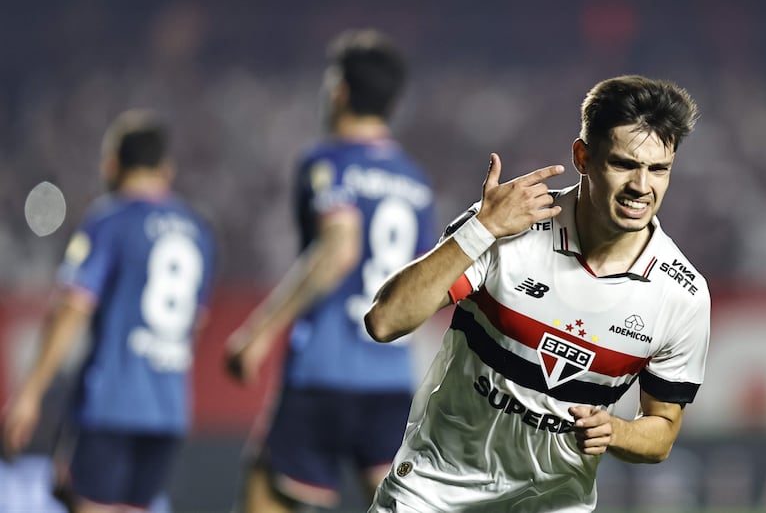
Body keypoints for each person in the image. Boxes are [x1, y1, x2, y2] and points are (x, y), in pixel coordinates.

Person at [364, 75, 711, 512]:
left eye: (658, 169)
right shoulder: (508, 226)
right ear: (583, 157)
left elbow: (662, 429)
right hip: (434, 492)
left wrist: (617, 432)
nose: (642, 186)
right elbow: (385, 320)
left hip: (553, 503)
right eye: (624, 164)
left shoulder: (683, 294)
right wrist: (482, 228)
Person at [225, 29, 435, 512]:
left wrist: (259, 332)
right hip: (389, 380)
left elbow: (339, 248)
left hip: (322, 372)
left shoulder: (327, 162)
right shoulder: (416, 182)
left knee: (266, 489)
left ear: (339, 90)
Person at [1, 109, 217, 513]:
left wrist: (29, 392)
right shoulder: (199, 232)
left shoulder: (110, 220)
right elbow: (196, 321)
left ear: (112, 164)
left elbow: (72, 306)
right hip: (168, 408)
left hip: (112, 402)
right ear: (165, 169)